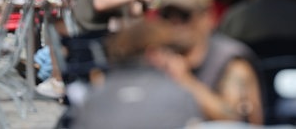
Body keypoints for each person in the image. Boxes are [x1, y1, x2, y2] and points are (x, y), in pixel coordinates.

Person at [152, 0, 263, 124]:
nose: (174, 23)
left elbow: (238, 121)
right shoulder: (154, 58)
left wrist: (186, 81)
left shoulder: (230, 62)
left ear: (207, 17)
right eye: (167, 15)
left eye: (184, 15)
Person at [70, 20, 202, 128]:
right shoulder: (179, 96)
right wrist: (185, 79)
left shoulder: (92, 97)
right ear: (153, 54)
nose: (176, 58)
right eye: (169, 52)